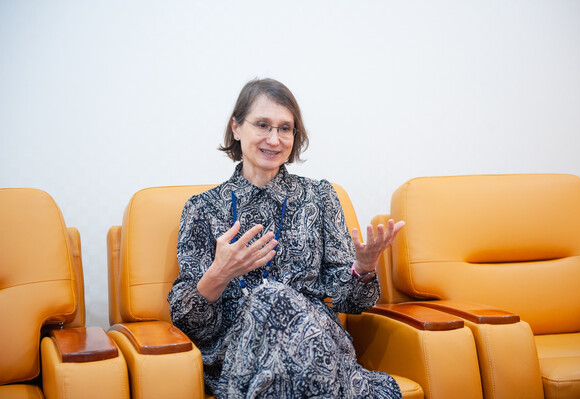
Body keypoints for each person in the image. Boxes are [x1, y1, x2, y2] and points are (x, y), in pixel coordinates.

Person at [168, 78, 405, 398]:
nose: (274, 139)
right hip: (244, 352)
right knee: (271, 298)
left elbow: (351, 302)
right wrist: (219, 273)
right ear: (236, 128)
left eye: (285, 128)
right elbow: (189, 322)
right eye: (263, 125)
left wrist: (362, 267)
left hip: (317, 345)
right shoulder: (202, 208)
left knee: (279, 303)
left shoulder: (320, 197)